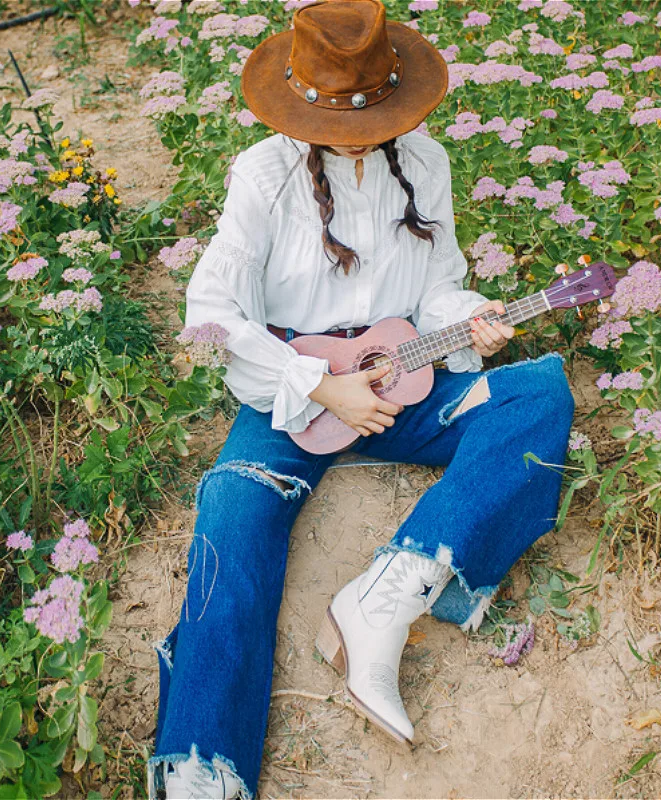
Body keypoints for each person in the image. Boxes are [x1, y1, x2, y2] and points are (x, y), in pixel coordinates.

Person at [147, 1, 575, 798]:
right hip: (291, 391)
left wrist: (468, 321)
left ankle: (388, 593)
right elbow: (210, 312)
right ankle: (205, 766)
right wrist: (319, 386)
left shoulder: (428, 162)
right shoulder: (264, 173)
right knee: (231, 520)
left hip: (399, 378)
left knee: (538, 390)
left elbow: (440, 286)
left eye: (373, 115)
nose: (355, 134)